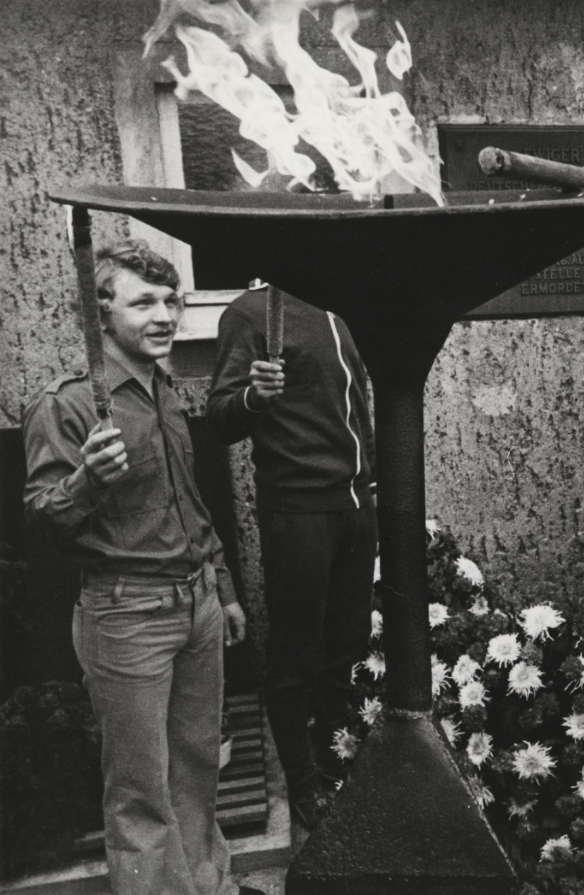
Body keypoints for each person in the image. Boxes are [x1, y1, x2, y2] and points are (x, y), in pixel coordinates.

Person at [22, 240, 261, 895]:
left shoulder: (163, 388)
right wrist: (88, 479)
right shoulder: (68, 404)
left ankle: (209, 888)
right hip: (126, 616)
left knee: (198, 768)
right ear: (103, 315)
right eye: (144, 301)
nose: (165, 315)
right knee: (140, 790)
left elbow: (189, 502)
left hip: (198, 606)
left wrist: (226, 589)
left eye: (171, 300)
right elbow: (41, 519)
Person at [207, 286, 378, 825]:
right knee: (295, 657)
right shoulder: (251, 312)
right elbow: (218, 418)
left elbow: (354, 410)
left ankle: (334, 763)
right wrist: (254, 398)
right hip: (299, 510)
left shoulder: (336, 305)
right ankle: (303, 789)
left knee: (345, 646)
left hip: (355, 506)